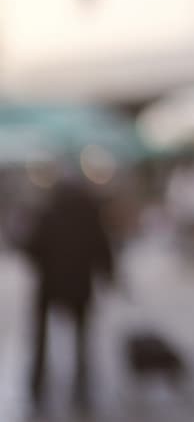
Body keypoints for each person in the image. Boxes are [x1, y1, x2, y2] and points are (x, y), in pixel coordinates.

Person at [21, 173, 116, 413]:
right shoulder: (89, 215)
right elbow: (103, 248)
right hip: (79, 286)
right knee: (82, 340)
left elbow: (31, 248)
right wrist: (109, 274)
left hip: (50, 286)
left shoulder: (47, 213)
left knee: (41, 340)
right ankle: (81, 389)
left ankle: (38, 387)